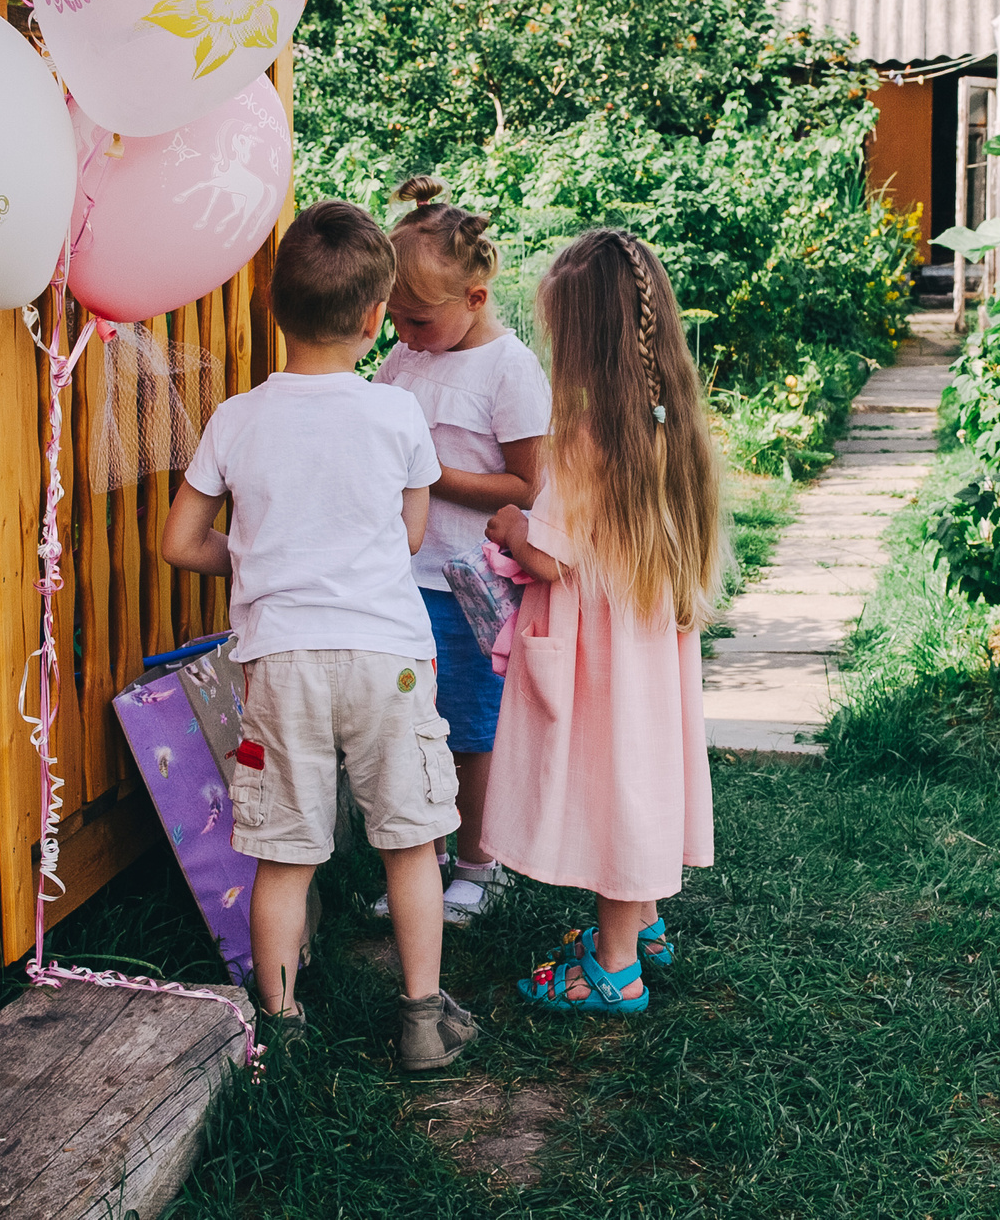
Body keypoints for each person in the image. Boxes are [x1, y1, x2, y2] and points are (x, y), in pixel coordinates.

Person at [161, 201, 478, 1071]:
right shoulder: (396, 417)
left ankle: (282, 1021)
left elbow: (180, 542)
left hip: (280, 663)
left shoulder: (236, 418)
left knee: (285, 852)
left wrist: (253, 557)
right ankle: (420, 1017)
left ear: (275, 307)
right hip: (388, 659)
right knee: (411, 840)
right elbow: (409, 536)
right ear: (377, 317)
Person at [483, 228, 719, 1014]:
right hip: (650, 653)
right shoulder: (670, 422)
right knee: (642, 777)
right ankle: (644, 926)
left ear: (582, 342)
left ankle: (616, 970)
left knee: (616, 792)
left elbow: (551, 554)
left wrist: (514, 523)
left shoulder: (588, 440)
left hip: (601, 663)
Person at [369, 176, 548, 926]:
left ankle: (479, 862)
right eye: (395, 320)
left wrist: (433, 475)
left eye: (416, 319)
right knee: (411, 726)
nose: (403, 334)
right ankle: (425, 858)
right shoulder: (404, 362)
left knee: (472, 731)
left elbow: (528, 485)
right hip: (397, 578)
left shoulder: (508, 369)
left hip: (470, 587)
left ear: (474, 297)